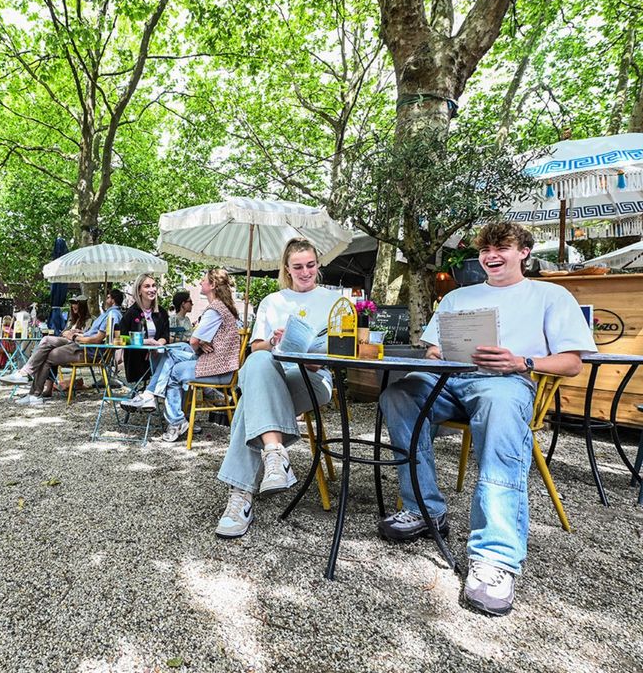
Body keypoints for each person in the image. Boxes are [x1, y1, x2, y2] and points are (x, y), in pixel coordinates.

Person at [378, 221, 595, 616]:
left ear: (524, 252)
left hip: (506, 383)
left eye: (503, 248)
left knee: (498, 412)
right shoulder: (459, 297)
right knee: (399, 393)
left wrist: (521, 361)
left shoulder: (550, 294)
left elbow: (572, 363)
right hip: (451, 380)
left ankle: (495, 557)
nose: (492, 256)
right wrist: (433, 355)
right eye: (486, 250)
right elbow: (433, 347)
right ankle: (426, 509)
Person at [215, 237, 342, 539]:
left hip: (312, 378)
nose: (305, 272)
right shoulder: (272, 301)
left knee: (251, 400)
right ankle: (274, 453)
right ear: (286, 268)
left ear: (318, 264)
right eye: (298, 267)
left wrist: (318, 358)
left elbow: (343, 349)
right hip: (274, 372)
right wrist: (274, 340)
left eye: (310, 265)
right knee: (258, 363)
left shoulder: (335, 301)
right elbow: (258, 346)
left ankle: (241, 497)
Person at [123, 269, 241, 442]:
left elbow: (193, 341)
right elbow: (195, 341)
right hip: (218, 362)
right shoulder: (223, 308)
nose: (200, 282)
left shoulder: (213, 310)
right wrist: (199, 343)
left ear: (213, 285)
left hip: (217, 366)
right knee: (173, 351)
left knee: (174, 368)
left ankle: (167, 412)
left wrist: (198, 343)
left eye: (203, 280)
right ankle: (156, 400)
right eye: (147, 286)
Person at [3, 289, 124, 405]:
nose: (105, 299)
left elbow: (97, 339)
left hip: (87, 350)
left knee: (47, 353)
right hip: (80, 344)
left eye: (107, 297)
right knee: (46, 341)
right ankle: (30, 385)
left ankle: (31, 387)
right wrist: (76, 334)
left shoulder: (113, 314)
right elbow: (92, 334)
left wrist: (74, 337)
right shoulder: (108, 314)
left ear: (112, 300)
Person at [119, 274, 170, 384]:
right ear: (139, 291)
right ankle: (151, 392)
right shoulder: (131, 313)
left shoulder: (161, 313)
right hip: (138, 357)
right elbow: (122, 337)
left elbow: (165, 335)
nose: (152, 289)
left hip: (158, 354)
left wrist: (156, 346)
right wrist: (146, 343)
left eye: (153, 286)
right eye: (147, 286)